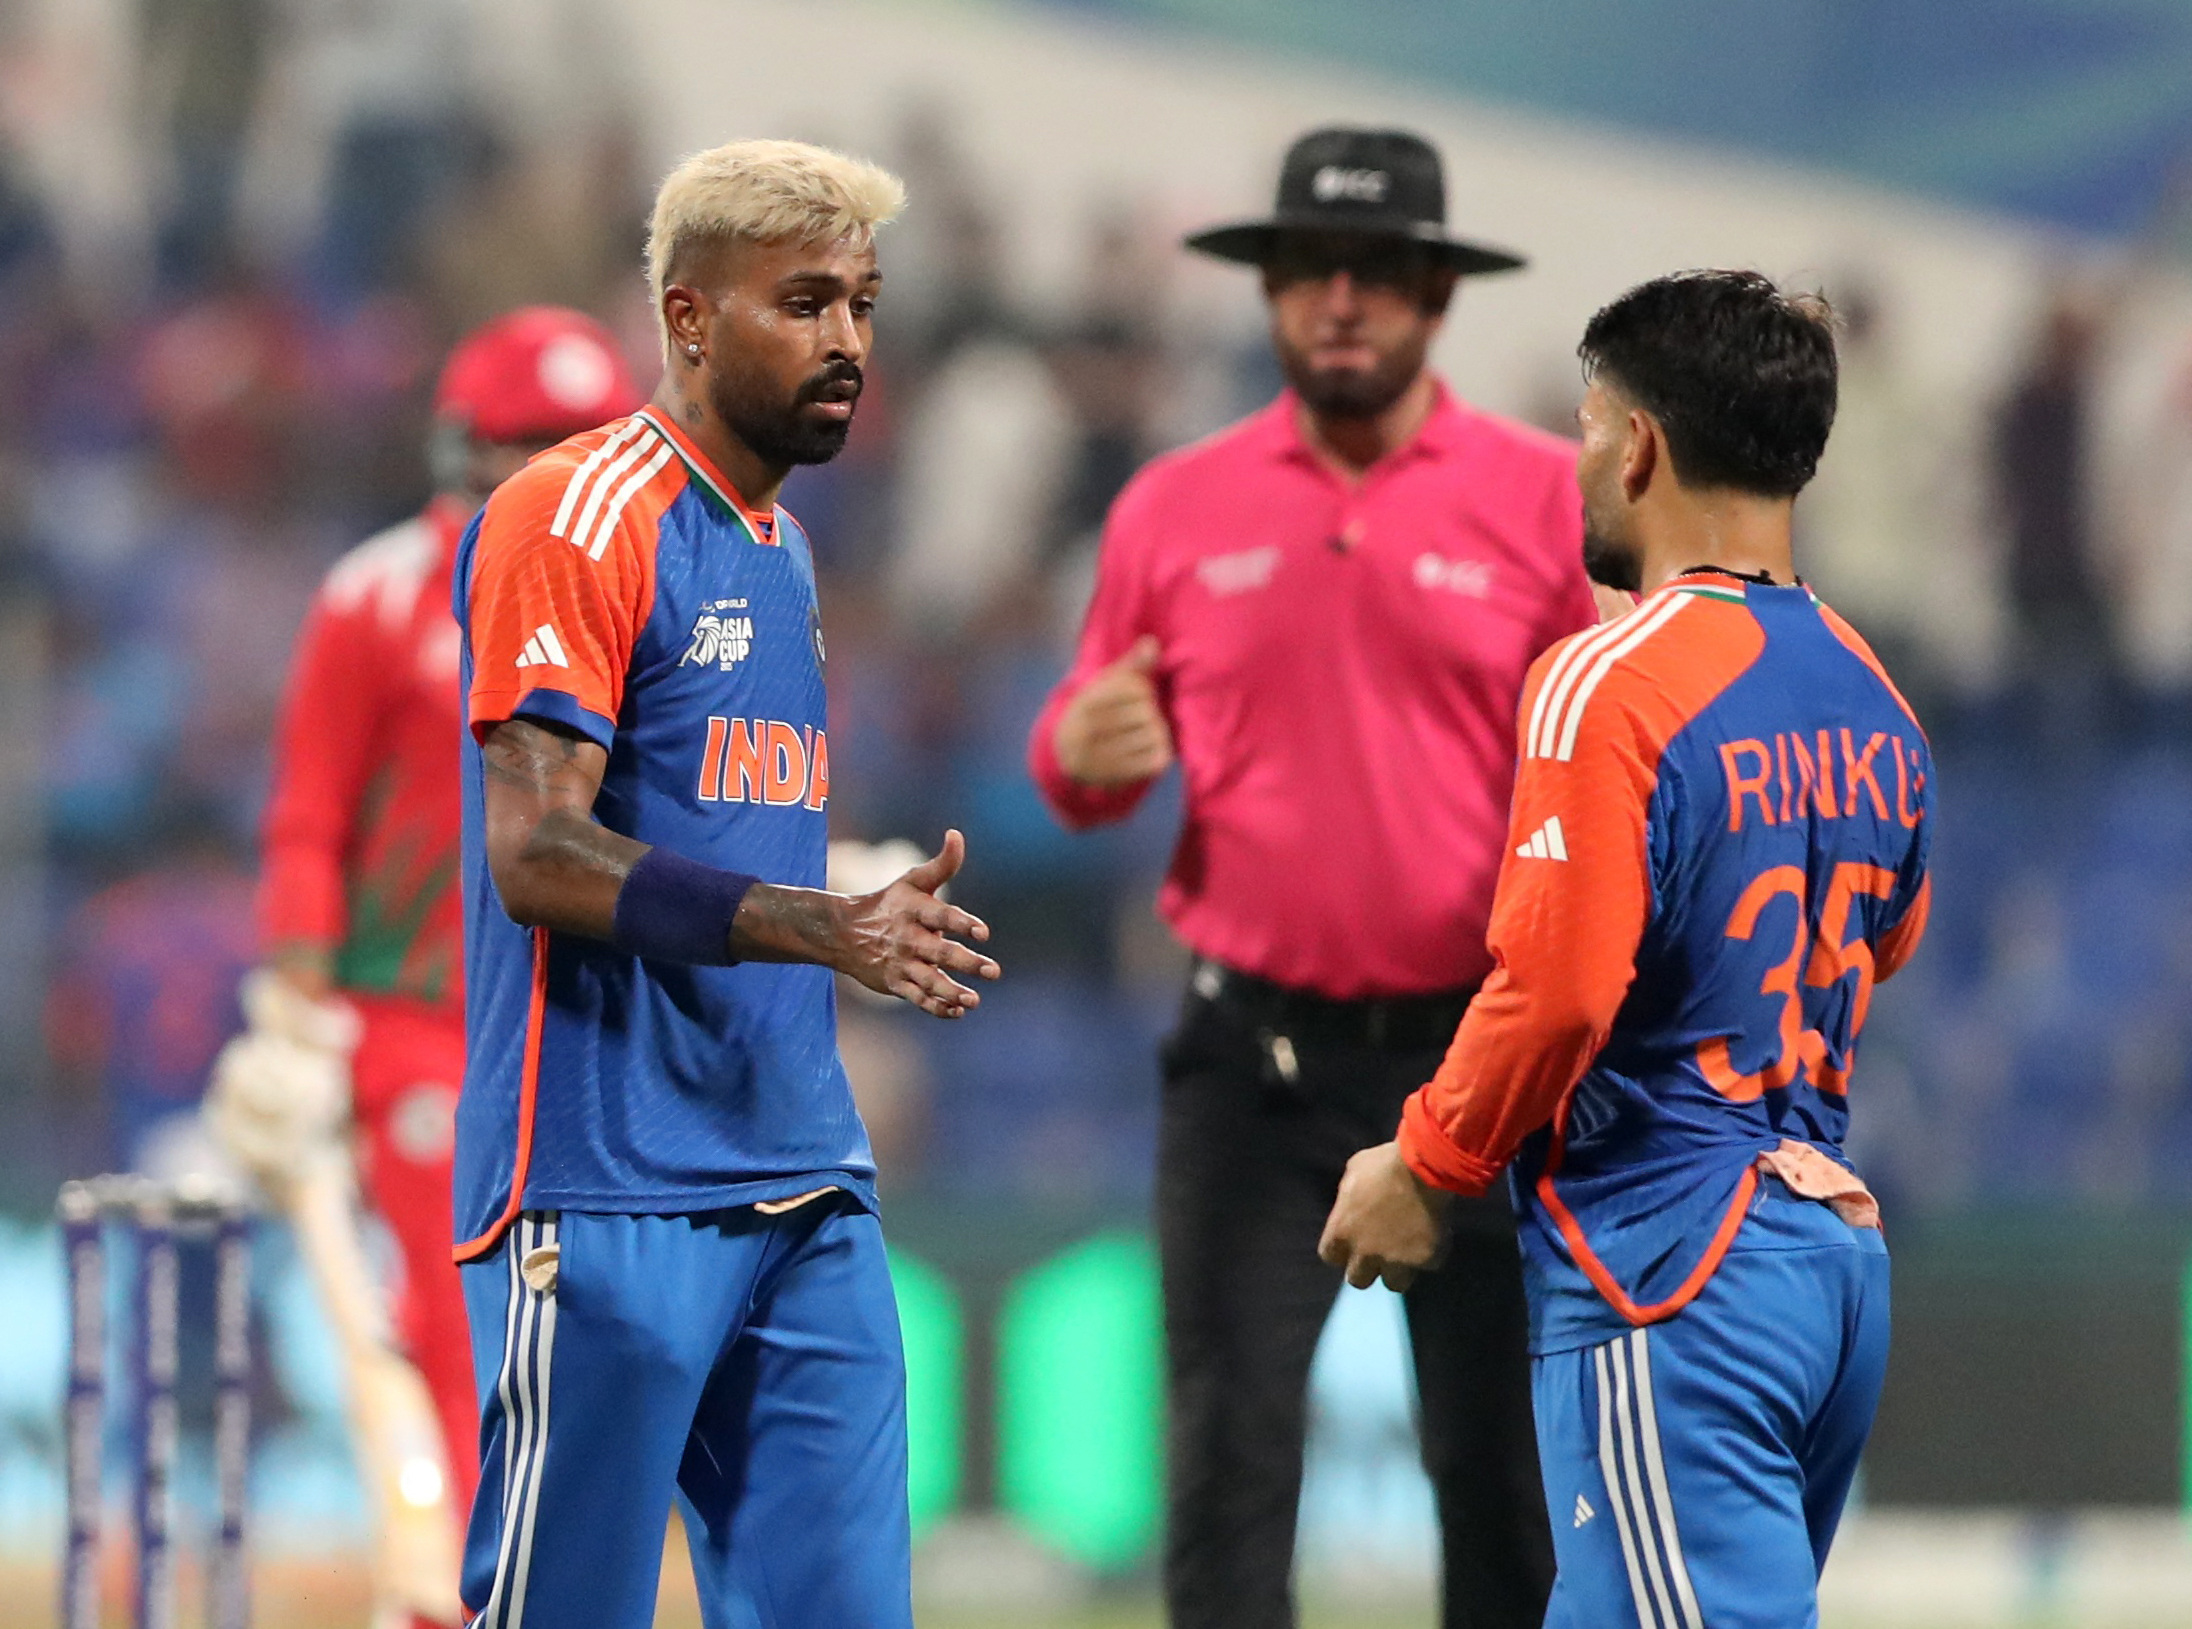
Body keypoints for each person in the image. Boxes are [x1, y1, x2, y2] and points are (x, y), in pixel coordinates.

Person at [1028, 127, 1596, 1629]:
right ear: (1269, 293)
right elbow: (1086, 773)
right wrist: (1079, 749)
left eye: (1378, 274)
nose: (1340, 300)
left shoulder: (1549, 500)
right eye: (1307, 272)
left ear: (1436, 297)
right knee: (1226, 1464)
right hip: (1252, 1069)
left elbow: (1615, 772)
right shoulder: (1173, 505)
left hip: (1480, 1071)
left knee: (1505, 1482)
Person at [1320, 270, 1935, 1628]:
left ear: (1642, 444)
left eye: (1589, 430)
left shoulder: (1610, 676)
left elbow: (1556, 988)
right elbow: (1888, 938)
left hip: (1665, 1265)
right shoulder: (1877, 692)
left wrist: (1429, 1159)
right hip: (1823, 1258)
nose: (1581, 466)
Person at [451, 139, 998, 1629]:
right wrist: (826, 928)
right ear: (690, 318)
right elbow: (538, 855)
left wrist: (848, 897)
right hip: (607, 1180)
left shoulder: (785, 548)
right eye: (807, 301)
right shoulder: (573, 515)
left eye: (865, 304)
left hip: (802, 1175)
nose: (849, 343)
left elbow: (715, 827)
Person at [205, 305, 641, 1627]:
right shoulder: (379, 593)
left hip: (587, 1024)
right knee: (460, 1324)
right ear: (466, 449)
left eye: (584, 441)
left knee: (579, 1333)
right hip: (419, 1027)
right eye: (534, 445)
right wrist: (298, 997)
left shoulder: (646, 594)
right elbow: (308, 814)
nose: (564, 471)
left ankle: (511, 1585)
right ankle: (458, 1590)